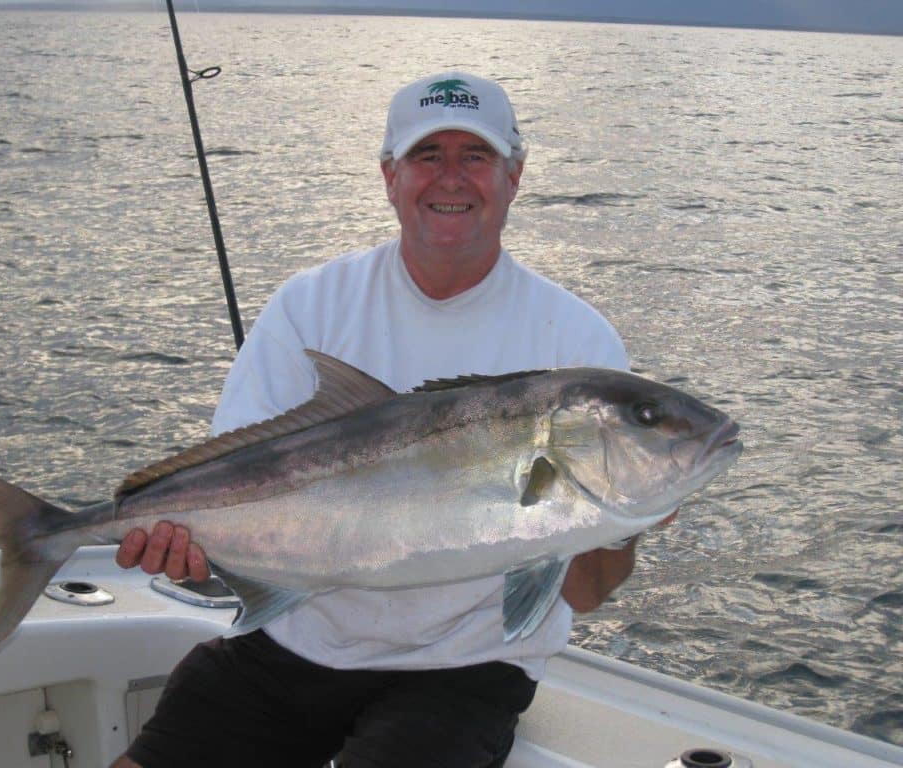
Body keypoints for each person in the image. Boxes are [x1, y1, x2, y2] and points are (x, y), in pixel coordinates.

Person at [111, 71, 667, 768]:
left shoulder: (577, 345)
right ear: (389, 175)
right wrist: (192, 557)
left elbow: (583, 592)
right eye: (428, 155)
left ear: (515, 176)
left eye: (477, 156)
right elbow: (234, 516)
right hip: (294, 641)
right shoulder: (310, 307)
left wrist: (622, 522)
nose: (452, 178)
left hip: (465, 670)